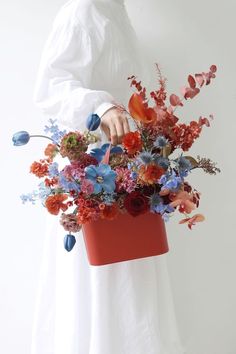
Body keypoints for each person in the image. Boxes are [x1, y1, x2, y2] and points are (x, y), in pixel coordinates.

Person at [30, 0, 186, 353]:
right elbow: (51, 86)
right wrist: (101, 107)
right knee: (100, 285)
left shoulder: (114, 10)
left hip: (123, 172)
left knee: (130, 285)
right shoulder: (85, 9)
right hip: (96, 175)